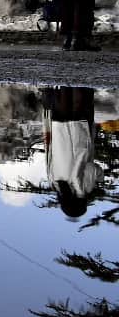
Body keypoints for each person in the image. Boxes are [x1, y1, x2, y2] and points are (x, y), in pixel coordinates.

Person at [43, 86, 101, 220]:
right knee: (64, 89)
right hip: (59, 131)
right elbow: (50, 156)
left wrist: (98, 177)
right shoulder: (54, 184)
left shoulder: (85, 189)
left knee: (79, 91)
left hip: (80, 134)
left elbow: (91, 168)